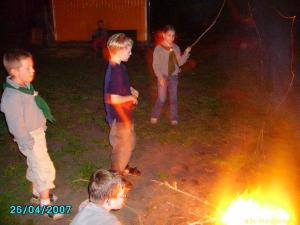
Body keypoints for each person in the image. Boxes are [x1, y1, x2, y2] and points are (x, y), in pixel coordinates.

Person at [0, 49, 63, 220]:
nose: (33, 71)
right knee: (44, 168)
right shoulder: (12, 96)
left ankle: (36, 194)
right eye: (27, 68)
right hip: (29, 137)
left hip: (36, 133)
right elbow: (15, 124)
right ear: (14, 72)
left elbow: (32, 108)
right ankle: (45, 204)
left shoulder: (25, 86)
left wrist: (41, 121)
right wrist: (26, 141)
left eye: (32, 67)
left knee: (35, 165)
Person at [104, 33, 141, 177]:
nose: (131, 53)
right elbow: (113, 98)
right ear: (119, 51)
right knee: (121, 148)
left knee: (129, 143)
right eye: (128, 50)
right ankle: (115, 176)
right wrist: (130, 97)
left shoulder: (120, 68)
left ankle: (123, 167)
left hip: (125, 115)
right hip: (118, 118)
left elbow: (121, 86)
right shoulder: (114, 71)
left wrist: (130, 90)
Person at [150, 25, 191, 125]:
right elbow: (155, 64)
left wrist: (185, 53)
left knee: (173, 98)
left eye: (173, 35)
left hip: (173, 76)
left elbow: (179, 62)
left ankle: (174, 118)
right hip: (162, 76)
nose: (171, 38)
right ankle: (154, 115)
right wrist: (159, 77)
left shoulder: (176, 47)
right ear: (164, 35)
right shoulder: (158, 49)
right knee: (162, 98)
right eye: (169, 35)